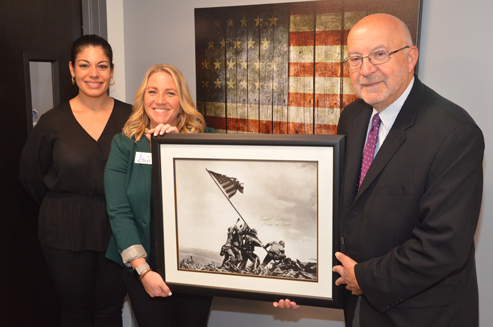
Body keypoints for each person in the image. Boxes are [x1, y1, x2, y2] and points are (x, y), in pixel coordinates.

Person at [276, 13, 484, 327]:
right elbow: (345, 211)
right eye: (356, 59)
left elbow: (444, 245)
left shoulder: (454, 132)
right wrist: (301, 278)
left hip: (422, 314)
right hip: (359, 309)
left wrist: (365, 278)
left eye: (380, 54)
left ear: (410, 57)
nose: (366, 70)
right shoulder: (353, 116)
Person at [19, 35, 133, 326]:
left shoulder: (132, 119)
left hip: (117, 229)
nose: (93, 74)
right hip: (63, 230)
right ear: (71, 70)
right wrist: (61, 207)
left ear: (111, 71)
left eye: (102, 66)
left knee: (109, 311)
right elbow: (31, 177)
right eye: (84, 65)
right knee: (76, 312)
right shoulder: (51, 121)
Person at [104, 64, 215, 327]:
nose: (161, 100)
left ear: (182, 101)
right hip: (143, 266)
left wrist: (184, 148)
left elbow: (210, 199)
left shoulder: (206, 139)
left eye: (170, 93)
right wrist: (143, 271)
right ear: (143, 98)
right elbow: (119, 211)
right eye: (152, 91)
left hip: (194, 266)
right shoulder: (125, 144)